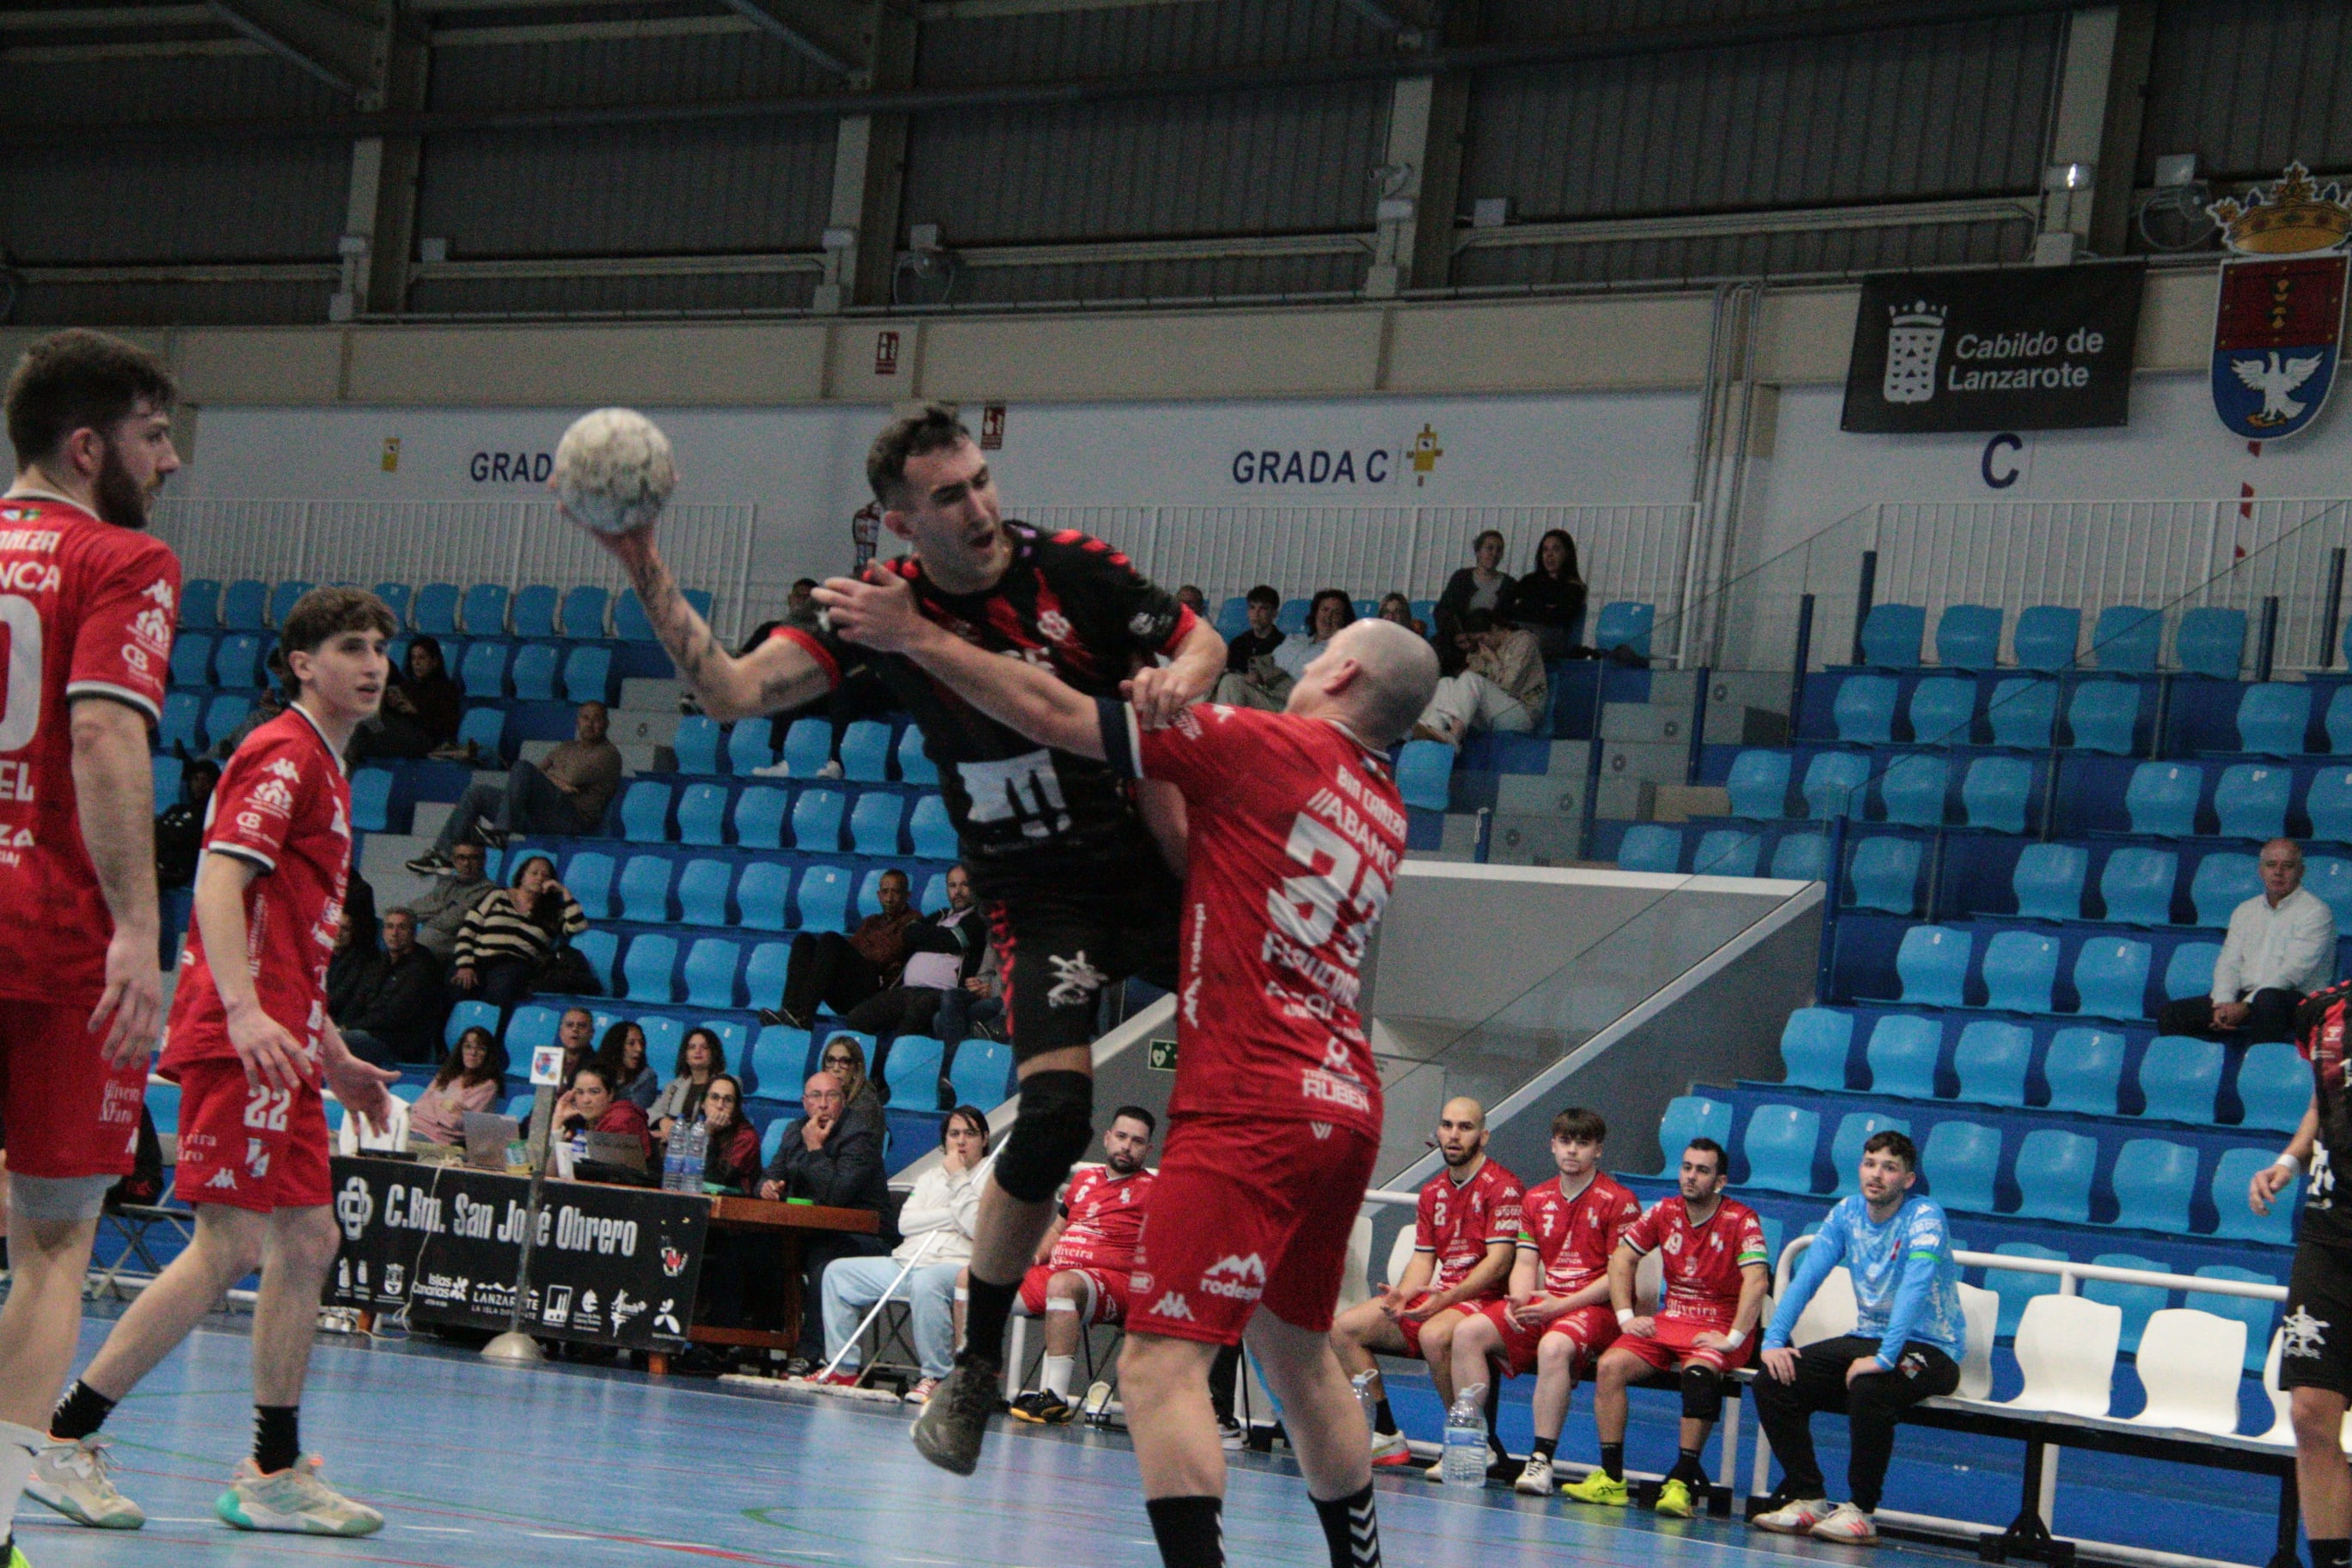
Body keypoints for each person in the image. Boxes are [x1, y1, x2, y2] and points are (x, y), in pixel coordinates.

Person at [585, 401, 1223, 1456]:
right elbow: (732, 694)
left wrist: (1173, 682)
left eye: (980, 480)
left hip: (1157, 859)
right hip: (1039, 895)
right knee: (1057, 1118)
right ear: (896, 522)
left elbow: (1197, 642)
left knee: (1248, 1079)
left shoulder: (1071, 567)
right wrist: (643, 556)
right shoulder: (878, 617)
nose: (977, 505)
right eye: (947, 495)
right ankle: (973, 1371)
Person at [825, 598, 1437, 1568]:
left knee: (1158, 1368)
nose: (1309, 662)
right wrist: (1157, 755)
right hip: (1343, 1106)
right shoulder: (1380, 805)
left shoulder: (1271, 747)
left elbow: (1058, 717)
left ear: (1348, 678)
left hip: (1251, 1101)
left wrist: (920, 639)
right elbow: (1212, 862)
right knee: (1294, 1353)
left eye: (1327, 652)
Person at [30, 585, 401, 1542]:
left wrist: (337, 1056)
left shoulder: (327, 764)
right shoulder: (284, 752)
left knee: (309, 1241)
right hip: (244, 1037)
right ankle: (62, 1441)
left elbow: (293, 934)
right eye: (351, 647)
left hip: (283, 1039)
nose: (373, 664)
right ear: (301, 664)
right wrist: (241, 1011)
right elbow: (221, 879)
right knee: (229, 1243)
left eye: (381, 650)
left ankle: (273, 1469)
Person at [0, 330, 187, 1568]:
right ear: (87, 447)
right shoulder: (122, 557)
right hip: (49, 929)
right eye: (155, 437)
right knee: (56, 1238)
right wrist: (137, 927)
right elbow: (106, 741)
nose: (168, 464)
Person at [1752, 1130, 1967, 1545]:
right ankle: (1808, 1496)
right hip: (1868, 1337)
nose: (1877, 1174)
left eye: (1890, 1167)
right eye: (1870, 1164)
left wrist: (1886, 1357)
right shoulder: (1847, 1213)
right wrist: (1773, 1340)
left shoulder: (1925, 1217)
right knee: (1773, 1379)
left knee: (1870, 1387)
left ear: (1907, 1180)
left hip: (1931, 1351)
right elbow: (1807, 1276)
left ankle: (1862, 1512)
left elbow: (1916, 1286)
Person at [1566, 1136, 1769, 1518]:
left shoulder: (1741, 1219)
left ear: (1720, 1182)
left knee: (1698, 1375)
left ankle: (1681, 1482)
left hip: (1719, 1326)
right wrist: (1626, 1316)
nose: (1691, 1176)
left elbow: (1757, 1280)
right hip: (1671, 1318)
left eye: (1702, 1170)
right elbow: (1621, 1259)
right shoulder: (1664, 1211)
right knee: (1610, 1367)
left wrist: (1734, 1338)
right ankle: (1611, 1479)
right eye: (1687, 1167)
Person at [1445, 1106, 1641, 1494]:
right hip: (1546, 1301)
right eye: (1565, 1141)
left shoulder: (1620, 1200)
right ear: (1552, 1145)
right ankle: (1475, 1445)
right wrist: (1519, 1299)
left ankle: (1540, 1461)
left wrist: (1560, 1307)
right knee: (1467, 1333)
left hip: (1595, 1308)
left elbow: (1619, 1277)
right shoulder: (1536, 1198)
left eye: (1583, 1144)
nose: (1572, 1151)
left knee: (1553, 1346)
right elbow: (1526, 1261)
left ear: (1598, 1151)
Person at [1331, 1098, 1522, 1469]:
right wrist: (1405, 1293)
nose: (1454, 1135)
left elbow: (1500, 1264)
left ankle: (1468, 1441)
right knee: (1344, 1329)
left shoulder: (1504, 1187)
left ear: (1483, 1137)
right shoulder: (1433, 1192)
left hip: (1484, 1301)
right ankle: (1386, 1434)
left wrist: (1447, 1296)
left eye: (1464, 1128)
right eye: (1447, 1126)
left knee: (1433, 1334)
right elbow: (1423, 1258)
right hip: (1441, 1297)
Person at [817, 1106, 994, 1403]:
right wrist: (954, 1214)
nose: (961, 1141)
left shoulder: (993, 1179)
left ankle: (937, 1376)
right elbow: (906, 1223)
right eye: (954, 1134)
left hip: (957, 1268)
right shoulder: (929, 1177)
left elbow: (976, 1227)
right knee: (837, 1273)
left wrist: (959, 1181)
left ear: (985, 1139)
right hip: (907, 1262)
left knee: (928, 1282)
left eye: (970, 1134)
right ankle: (844, 1368)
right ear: (944, 1142)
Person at [1003, 1109, 1158, 1424]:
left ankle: (1056, 1399)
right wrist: (1032, 1259)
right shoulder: (1084, 1180)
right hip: (1057, 1271)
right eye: (1121, 1136)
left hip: (1112, 1282)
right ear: (1107, 1138)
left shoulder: (1154, 1190)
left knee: (1062, 1284)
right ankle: (965, 1382)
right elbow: (1058, 1230)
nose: (1127, 1146)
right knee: (977, 1282)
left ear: (1148, 1150)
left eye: (1137, 1141)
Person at [758, 1071, 892, 1374]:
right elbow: (771, 1173)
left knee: (825, 1259)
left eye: (831, 1096)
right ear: (805, 1102)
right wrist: (767, 1187)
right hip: (809, 1231)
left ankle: (810, 1355)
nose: (823, 1104)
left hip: (862, 1237)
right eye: (815, 1097)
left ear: (843, 1102)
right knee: (751, 1248)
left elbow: (837, 1196)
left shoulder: (860, 1136)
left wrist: (816, 1149)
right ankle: (746, 1343)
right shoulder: (795, 1131)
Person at [406, 701, 622, 873]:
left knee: (522, 767)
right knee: (477, 793)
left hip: (573, 818)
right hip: (543, 813)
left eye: (597, 719)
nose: (590, 724)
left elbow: (567, 777)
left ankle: (501, 832)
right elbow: (540, 773)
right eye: (585, 718)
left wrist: (549, 777)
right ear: (577, 721)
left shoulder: (607, 754)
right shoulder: (566, 746)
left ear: (607, 724)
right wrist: (555, 780)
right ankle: (442, 855)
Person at [2158, 837, 2334, 1044]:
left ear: (2301, 871)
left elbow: (2291, 973)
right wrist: (2223, 1003)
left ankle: (2261, 1073)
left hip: (2294, 999)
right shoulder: (2245, 910)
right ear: (2261, 870)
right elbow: (2229, 961)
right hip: (2246, 997)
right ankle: (2191, 1073)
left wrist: (2246, 1006)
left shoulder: (2316, 912)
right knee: (2172, 1014)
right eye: (2271, 865)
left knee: (2267, 1000)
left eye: (2287, 866)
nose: (2278, 872)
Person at [842, 863, 990, 1097]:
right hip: (907, 988)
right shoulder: (940, 915)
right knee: (857, 1018)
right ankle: (864, 1078)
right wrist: (938, 938)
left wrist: (928, 938)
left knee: (911, 1021)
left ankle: (884, 1082)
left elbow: (956, 941)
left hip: (940, 992)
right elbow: (909, 934)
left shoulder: (978, 919)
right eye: (952, 885)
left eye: (964, 884)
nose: (958, 891)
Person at [759, 867, 917, 1029]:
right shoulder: (871, 921)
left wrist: (865, 950)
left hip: (875, 993)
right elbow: (850, 949)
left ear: (907, 895)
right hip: (848, 990)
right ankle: (789, 1010)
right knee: (804, 940)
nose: (889, 898)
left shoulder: (913, 921)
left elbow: (887, 955)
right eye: (885, 892)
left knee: (831, 939)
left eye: (895, 892)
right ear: (878, 895)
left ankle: (804, 1014)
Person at [448, 854, 587, 1009]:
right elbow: (468, 930)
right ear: (522, 876)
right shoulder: (498, 895)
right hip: (480, 959)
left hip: (515, 965)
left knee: (503, 987)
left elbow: (578, 926)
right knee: (457, 985)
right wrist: (465, 964)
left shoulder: (553, 913)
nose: (539, 878)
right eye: (534, 873)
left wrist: (565, 892)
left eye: (545, 876)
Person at [330, 907, 447, 1068]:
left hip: (398, 1045)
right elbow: (358, 1000)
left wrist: (347, 1028)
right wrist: (340, 1026)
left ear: (414, 933)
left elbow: (394, 1014)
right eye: (390, 926)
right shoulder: (380, 961)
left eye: (402, 927)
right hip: (368, 1033)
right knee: (327, 1034)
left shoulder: (423, 966)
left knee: (335, 1042)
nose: (395, 933)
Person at [1413, 609, 1545, 747]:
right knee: (1446, 683)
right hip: (1492, 713)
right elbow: (1465, 688)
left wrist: (1493, 661)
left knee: (1471, 678)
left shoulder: (1523, 642)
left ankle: (1454, 736)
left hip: (1522, 712)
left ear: (1494, 629)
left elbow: (1509, 685)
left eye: (1482, 639)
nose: (1482, 645)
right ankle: (1432, 731)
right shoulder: (1481, 651)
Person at [356, 634, 460, 761]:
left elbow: (445, 726)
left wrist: (414, 712)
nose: (416, 663)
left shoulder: (446, 689)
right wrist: (393, 705)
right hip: (400, 733)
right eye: (413, 658)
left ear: (434, 661)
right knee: (360, 719)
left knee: (363, 726)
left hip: (424, 739)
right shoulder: (409, 686)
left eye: (422, 658)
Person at [407, 1027, 508, 1148]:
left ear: (488, 1054)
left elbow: (455, 1122)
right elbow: (418, 1106)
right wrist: (446, 1104)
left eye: (480, 1048)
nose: (473, 1052)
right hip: (414, 1127)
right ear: (461, 1049)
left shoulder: (488, 1086)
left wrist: (434, 1104)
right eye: (468, 1046)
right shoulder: (447, 1074)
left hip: (440, 1140)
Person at [1500, 529, 1586, 659]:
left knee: (1524, 642)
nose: (1549, 555)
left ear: (1567, 553)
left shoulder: (1574, 587)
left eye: (1555, 549)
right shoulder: (1529, 580)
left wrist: (1524, 606)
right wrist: (1542, 607)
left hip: (1551, 638)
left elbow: (1557, 617)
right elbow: (1504, 607)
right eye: (1545, 550)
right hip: (1518, 631)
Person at [553, 1061, 652, 1167]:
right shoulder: (581, 1122)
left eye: (594, 1092)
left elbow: (605, 1177)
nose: (585, 1100)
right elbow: (550, 1174)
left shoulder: (621, 1120)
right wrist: (557, 1122)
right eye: (580, 1092)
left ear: (610, 1094)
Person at [409, 839, 493, 959]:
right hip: (423, 952)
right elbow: (412, 910)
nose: (466, 864)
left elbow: (451, 922)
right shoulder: (447, 884)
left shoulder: (488, 890)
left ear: (483, 860)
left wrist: (430, 915)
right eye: (461, 857)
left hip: (455, 955)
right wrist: (445, 906)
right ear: (454, 861)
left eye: (473, 858)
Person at [1213, 585, 1292, 712]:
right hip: (1239, 693)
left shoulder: (1284, 645)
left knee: (1230, 682)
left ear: (1274, 613)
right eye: (1252, 608)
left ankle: (1224, 728)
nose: (1256, 614)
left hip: (1270, 697)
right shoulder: (1238, 643)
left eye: (1263, 609)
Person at [648, 1026, 726, 1144]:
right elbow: (651, 1113)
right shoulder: (674, 1086)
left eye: (704, 1047)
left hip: (705, 1146)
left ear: (713, 1054)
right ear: (685, 1056)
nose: (697, 1051)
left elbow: (718, 1123)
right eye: (692, 1047)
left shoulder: (725, 1085)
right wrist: (662, 1121)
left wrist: (678, 1135)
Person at [1434, 530, 1512, 643]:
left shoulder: (1509, 585)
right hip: (1461, 638)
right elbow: (1444, 611)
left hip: (1492, 641)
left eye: (1499, 550)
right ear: (1478, 551)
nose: (1494, 554)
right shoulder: (1461, 578)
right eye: (1490, 548)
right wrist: (1457, 636)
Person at [156, 756, 220, 890]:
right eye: (196, 779)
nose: (200, 785)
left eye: (206, 781)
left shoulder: (213, 818)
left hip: (175, 872)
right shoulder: (176, 809)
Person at [697, 1075, 762, 1192]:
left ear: (736, 1107)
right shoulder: (695, 1129)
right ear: (702, 1103)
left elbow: (716, 1181)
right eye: (714, 1097)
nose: (720, 1105)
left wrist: (709, 1134)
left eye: (728, 1100)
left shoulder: (746, 1137)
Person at [1275, 588, 1354, 680]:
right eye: (1325, 610)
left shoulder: (1340, 654)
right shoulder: (1294, 638)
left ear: (1344, 620)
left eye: (1336, 613)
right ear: (1315, 614)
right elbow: (1269, 660)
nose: (1328, 616)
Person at [594, 1020, 660, 1111]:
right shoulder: (595, 1072)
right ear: (616, 1046)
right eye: (631, 1043)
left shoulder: (646, 1077)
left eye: (641, 1043)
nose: (639, 1049)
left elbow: (635, 1115)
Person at [553, 1006, 597, 1085]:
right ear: (560, 1032)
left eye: (582, 1026)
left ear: (591, 1033)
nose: (575, 1029)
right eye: (569, 1025)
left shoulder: (598, 1064)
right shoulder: (549, 1058)